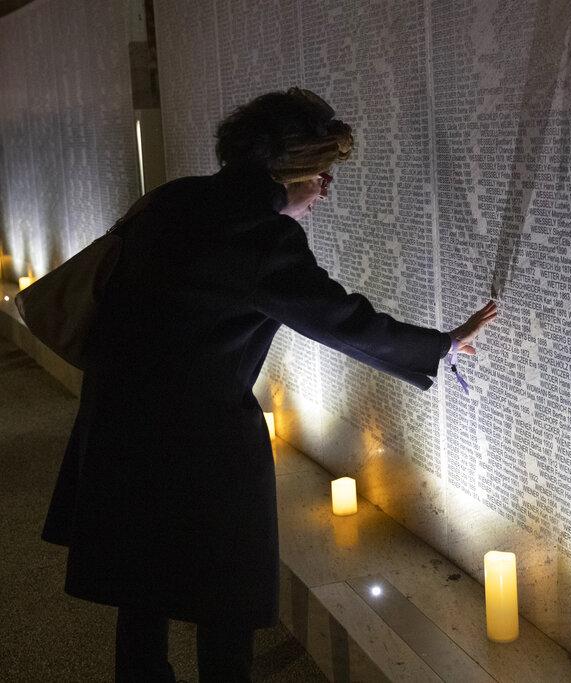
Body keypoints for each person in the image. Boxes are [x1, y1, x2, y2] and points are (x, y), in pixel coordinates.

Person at [39, 88, 497, 682]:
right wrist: (440, 343)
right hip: (205, 439)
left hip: (121, 418)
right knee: (224, 591)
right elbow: (340, 319)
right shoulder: (259, 235)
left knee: (141, 584)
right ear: (291, 168)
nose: (327, 189)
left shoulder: (172, 199)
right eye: (325, 173)